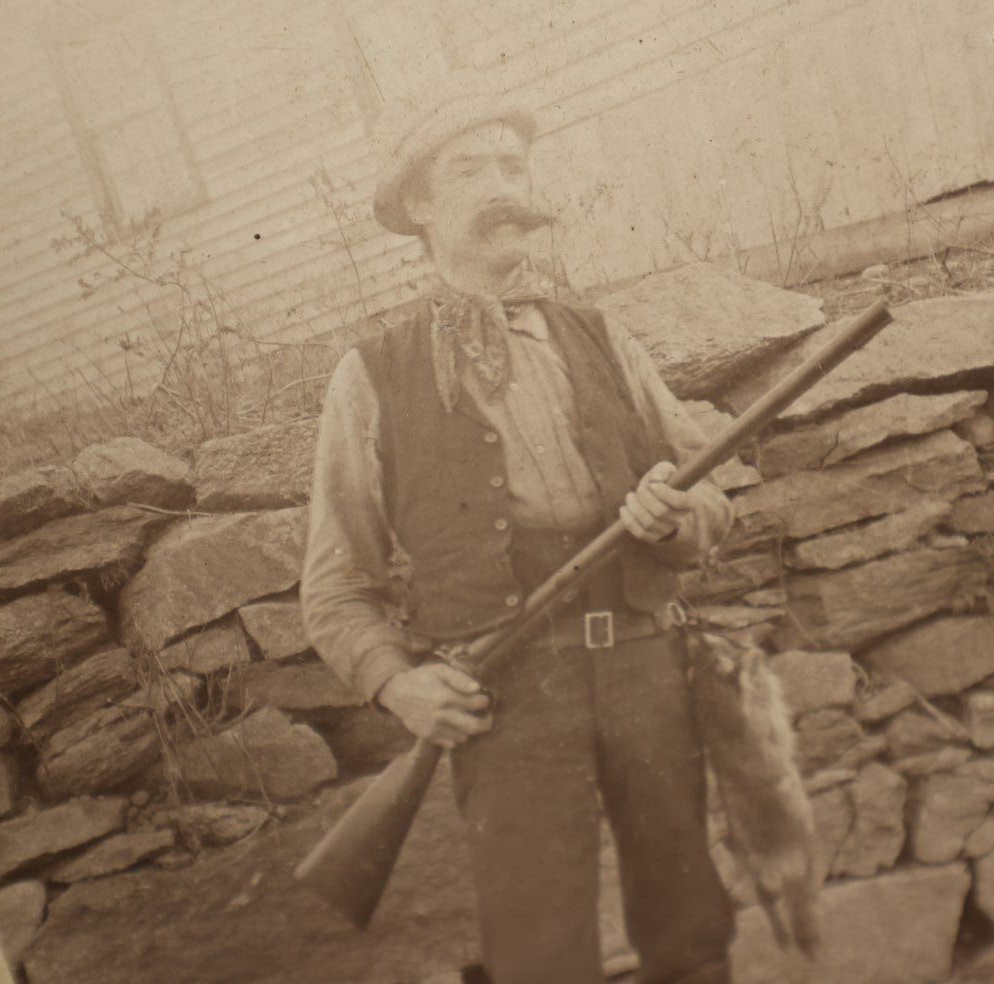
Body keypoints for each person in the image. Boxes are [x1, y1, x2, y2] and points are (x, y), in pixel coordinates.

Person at [301, 75, 737, 984]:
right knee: (538, 956)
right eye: (468, 170)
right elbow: (335, 586)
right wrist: (399, 686)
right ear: (419, 206)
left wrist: (672, 521)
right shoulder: (371, 375)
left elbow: (711, 504)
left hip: (645, 667)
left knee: (692, 933)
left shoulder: (601, 334)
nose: (502, 186)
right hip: (503, 697)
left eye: (512, 164)